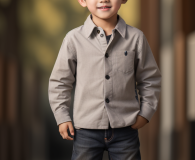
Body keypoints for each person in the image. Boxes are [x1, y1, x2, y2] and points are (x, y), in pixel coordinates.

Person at [48, 0, 162, 159]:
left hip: (125, 129)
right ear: (82, 1)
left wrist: (145, 113)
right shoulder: (73, 39)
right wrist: (62, 116)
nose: (104, 0)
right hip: (85, 131)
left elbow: (150, 79)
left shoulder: (136, 38)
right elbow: (60, 82)